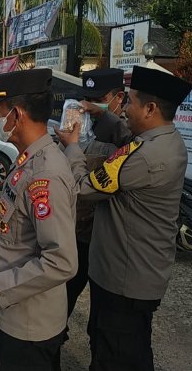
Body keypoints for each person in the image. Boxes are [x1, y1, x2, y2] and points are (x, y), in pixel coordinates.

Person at [55, 66, 192, 371]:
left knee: (117, 354)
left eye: (129, 102)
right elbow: (126, 135)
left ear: (151, 108)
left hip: (125, 279)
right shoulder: (162, 140)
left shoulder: (145, 156)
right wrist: (99, 113)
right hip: (131, 273)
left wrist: (73, 148)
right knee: (124, 345)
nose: (125, 109)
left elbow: (82, 188)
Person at [0, 69, 78, 371]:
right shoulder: (27, 159)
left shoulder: (45, 174)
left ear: (16, 113)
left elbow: (62, 261)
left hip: (29, 322)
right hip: (15, 311)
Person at [65, 69, 123, 319]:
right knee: (66, 293)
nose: (88, 105)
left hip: (107, 237)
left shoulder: (128, 132)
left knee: (105, 311)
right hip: (78, 231)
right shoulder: (79, 125)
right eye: (86, 97)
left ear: (118, 98)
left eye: (98, 98)